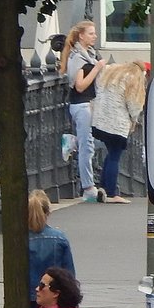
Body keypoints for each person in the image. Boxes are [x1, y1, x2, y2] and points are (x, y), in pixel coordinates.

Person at [58, 21, 108, 202]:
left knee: (101, 140)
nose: (95, 36)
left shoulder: (89, 54)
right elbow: (80, 86)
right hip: (82, 105)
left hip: (89, 103)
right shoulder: (78, 57)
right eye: (91, 33)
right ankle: (88, 187)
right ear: (81, 35)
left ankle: (72, 141)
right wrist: (97, 68)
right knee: (87, 147)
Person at [90, 62, 146, 204]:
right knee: (115, 156)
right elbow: (134, 105)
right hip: (117, 125)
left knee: (110, 154)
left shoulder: (111, 73)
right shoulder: (133, 79)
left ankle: (102, 187)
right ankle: (111, 193)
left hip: (101, 121)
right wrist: (134, 119)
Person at [27, 189, 75, 308]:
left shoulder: (19, 240)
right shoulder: (59, 238)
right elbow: (69, 275)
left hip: (28, 299)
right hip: (53, 299)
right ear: (48, 212)